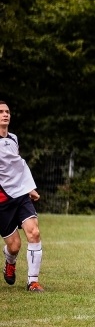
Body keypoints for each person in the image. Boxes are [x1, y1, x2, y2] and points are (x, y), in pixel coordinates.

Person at [0, 101, 45, 293]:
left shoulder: (13, 138)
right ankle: (10, 261)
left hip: (21, 196)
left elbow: (16, 167)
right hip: (3, 200)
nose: (5, 114)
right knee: (15, 246)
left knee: (34, 233)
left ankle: (32, 282)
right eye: (1, 112)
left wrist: (28, 188)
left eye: (7, 111)